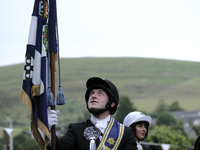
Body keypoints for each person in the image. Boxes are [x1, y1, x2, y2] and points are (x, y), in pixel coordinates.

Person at [47, 77, 137, 150]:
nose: (93, 96)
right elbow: (60, 148)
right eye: (91, 93)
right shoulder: (76, 129)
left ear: (112, 103)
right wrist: (49, 131)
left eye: (100, 93)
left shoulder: (125, 132)